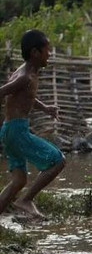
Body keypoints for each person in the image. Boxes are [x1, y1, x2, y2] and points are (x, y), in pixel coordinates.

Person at [0, 29, 65, 218]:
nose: (49, 54)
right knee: (58, 160)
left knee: (18, 181)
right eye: (47, 50)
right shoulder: (25, 76)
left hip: (9, 129)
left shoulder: (26, 74)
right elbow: (2, 92)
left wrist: (45, 108)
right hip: (16, 130)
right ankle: (26, 200)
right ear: (35, 53)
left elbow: (25, 97)